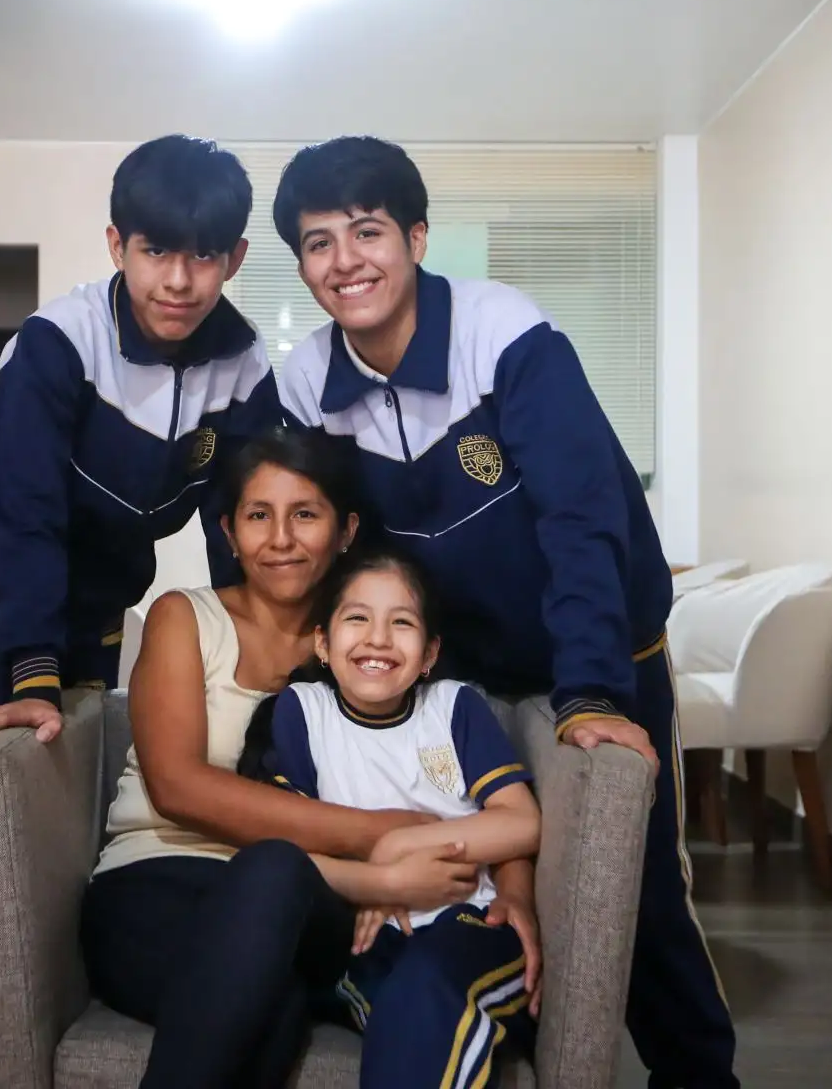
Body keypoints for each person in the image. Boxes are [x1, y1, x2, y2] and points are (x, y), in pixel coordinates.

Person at [271, 135, 739, 1088]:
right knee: (470, 879)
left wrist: (592, 691)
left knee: (635, 888)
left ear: (417, 237)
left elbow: (582, 517)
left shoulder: (505, 333)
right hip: (458, 670)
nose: (345, 261)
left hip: (597, 653)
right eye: (319, 243)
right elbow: (307, 538)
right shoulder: (304, 383)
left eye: (367, 232)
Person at [0, 134, 278, 1082]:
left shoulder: (243, 363)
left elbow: (242, 519)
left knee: (78, 824)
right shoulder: (56, 345)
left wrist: (259, 646)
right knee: (5, 827)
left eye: (204, 255)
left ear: (236, 258)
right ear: (118, 244)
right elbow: (24, 515)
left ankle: (66, 1014)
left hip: (101, 596)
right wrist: (32, 673)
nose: (179, 280)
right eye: (156, 251)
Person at [80, 427, 539, 1089]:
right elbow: (177, 787)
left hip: (316, 907)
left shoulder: (368, 641)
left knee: (282, 930)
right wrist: (382, 838)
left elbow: (474, 782)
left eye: (304, 515)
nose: (281, 539)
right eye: (258, 516)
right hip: (159, 886)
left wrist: (514, 890)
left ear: (345, 530)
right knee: (274, 1008)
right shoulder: (186, 618)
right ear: (229, 532)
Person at [237, 547, 540, 1089]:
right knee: (404, 1004)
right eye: (357, 618)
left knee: (428, 984)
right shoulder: (302, 712)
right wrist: (377, 879)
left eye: (401, 623)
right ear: (323, 642)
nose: (378, 638)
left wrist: (399, 847)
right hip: (367, 939)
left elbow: (521, 822)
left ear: (429, 653)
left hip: (471, 922)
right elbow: (285, 856)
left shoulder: (453, 707)